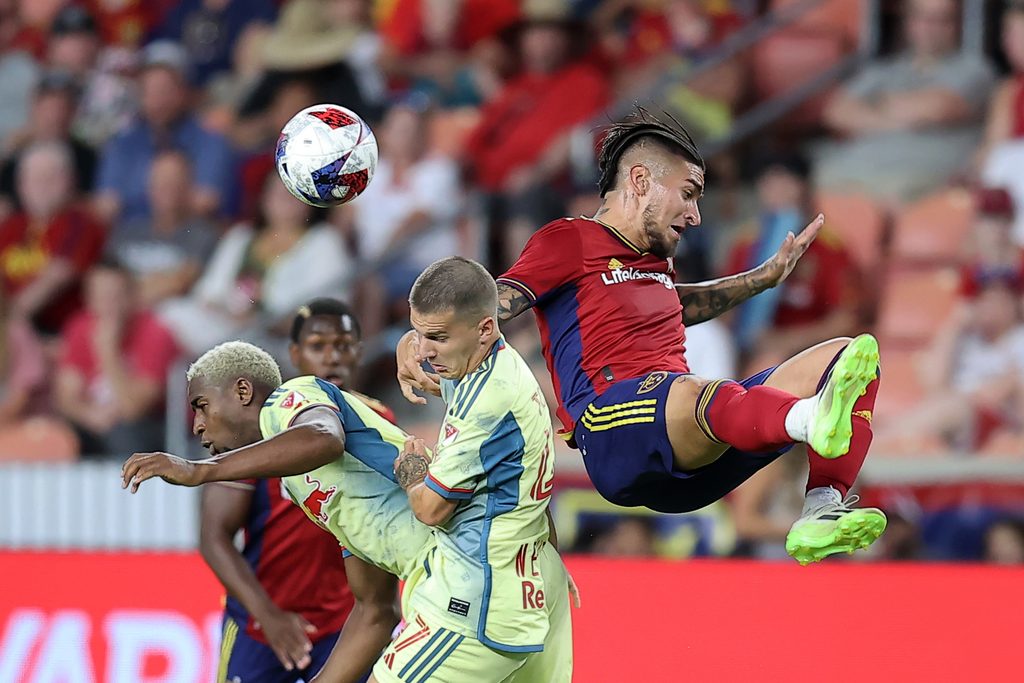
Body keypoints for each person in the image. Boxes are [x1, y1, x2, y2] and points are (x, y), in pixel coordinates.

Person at [400, 108, 886, 565]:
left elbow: (677, 305)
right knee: (696, 390)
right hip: (613, 433)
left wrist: (761, 279)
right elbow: (494, 303)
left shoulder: (654, 263)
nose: (695, 215)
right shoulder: (569, 240)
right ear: (639, 181)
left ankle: (822, 508)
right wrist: (419, 339)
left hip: (686, 452)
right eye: (688, 193)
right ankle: (809, 420)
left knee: (844, 358)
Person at [378, 257, 572, 682]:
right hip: (529, 583)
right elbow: (442, 367)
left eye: (437, 338)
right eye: (418, 333)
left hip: (476, 607)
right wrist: (409, 344)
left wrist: (412, 469)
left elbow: (430, 509)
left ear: (485, 329)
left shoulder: (484, 405)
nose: (424, 351)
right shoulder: (497, 363)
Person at [200, 299, 383, 682]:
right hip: (263, 627)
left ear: (359, 352)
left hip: (347, 624)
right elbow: (214, 536)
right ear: (295, 354)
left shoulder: (380, 422)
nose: (333, 357)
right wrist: (268, 616)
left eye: (344, 345)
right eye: (318, 346)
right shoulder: (261, 428)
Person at [816, 0, 995, 202]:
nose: (930, 26)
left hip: (923, 180)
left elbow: (938, 108)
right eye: (922, 17)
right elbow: (836, 112)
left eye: (941, 19)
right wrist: (903, 119)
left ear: (956, 24)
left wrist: (875, 105)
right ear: (909, 21)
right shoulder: (884, 69)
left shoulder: (975, 69)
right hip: (853, 170)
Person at [55, 259, 180, 455]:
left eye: (115, 297)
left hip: (151, 425)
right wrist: (90, 415)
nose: (107, 305)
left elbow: (134, 409)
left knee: (122, 433)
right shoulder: (79, 327)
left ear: (133, 297)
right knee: (56, 434)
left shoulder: (155, 333)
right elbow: (66, 397)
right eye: (100, 297)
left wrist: (108, 352)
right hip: (95, 419)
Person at [0, 140, 105, 335]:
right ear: (20, 185)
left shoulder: (80, 223)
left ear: (71, 181)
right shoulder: (11, 225)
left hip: (53, 330)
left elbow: (55, 279)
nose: (42, 186)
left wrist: (8, 319)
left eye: (51, 177)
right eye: (34, 178)